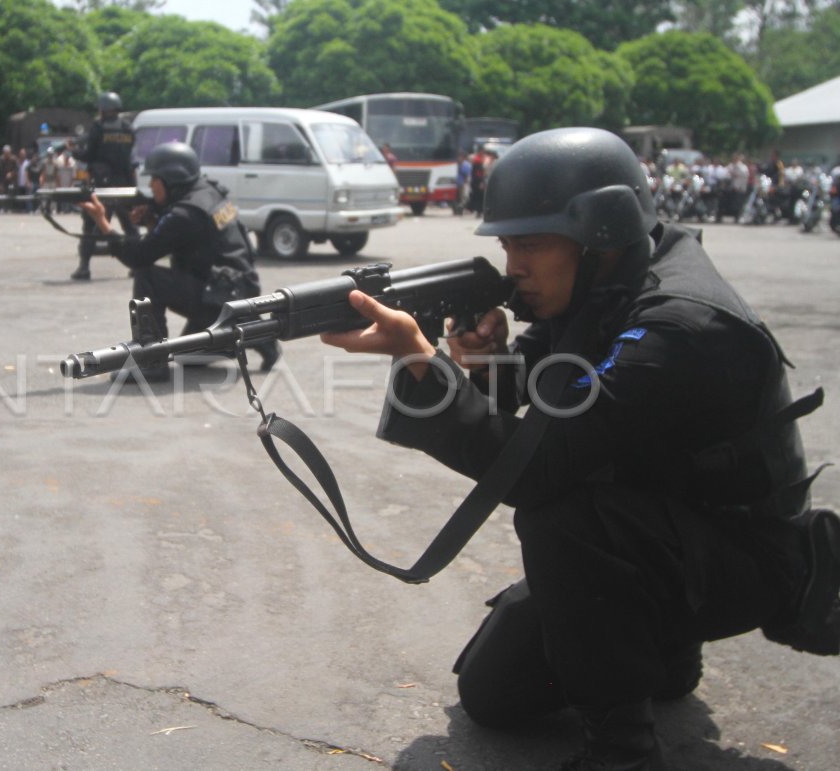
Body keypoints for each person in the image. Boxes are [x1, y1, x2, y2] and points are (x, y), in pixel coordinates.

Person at [320, 127, 836, 770]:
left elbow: (536, 468)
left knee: (563, 516)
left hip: (748, 556)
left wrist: (422, 361)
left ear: (600, 235)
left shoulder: (678, 326)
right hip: (673, 533)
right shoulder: (616, 280)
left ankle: (624, 752)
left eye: (531, 245)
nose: (513, 267)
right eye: (508, 244)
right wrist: (482, 365)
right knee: (493, 694)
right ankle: (663, 654)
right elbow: (560, 386)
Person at [78, 141, 280, 379]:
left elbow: (139, 256)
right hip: (237, 292)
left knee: (147, 276)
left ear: (171, 179)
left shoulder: (183, 215)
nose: (151, 186)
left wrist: (103, 223)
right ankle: (257, 336)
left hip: (217, 297)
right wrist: (152, 218)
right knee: (187, 357)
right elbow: (190, 241)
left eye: (155, 179)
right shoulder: (207, 192)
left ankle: (152, 364)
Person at [70, 91, 139, 280]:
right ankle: (137, 266)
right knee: (130, 226)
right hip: (125, 184)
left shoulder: (98, 128)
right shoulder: (127, 129)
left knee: (92, 226)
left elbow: (89, 155)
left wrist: (74, 152)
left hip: (102, 185)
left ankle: (84, 267)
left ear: (104, 109)